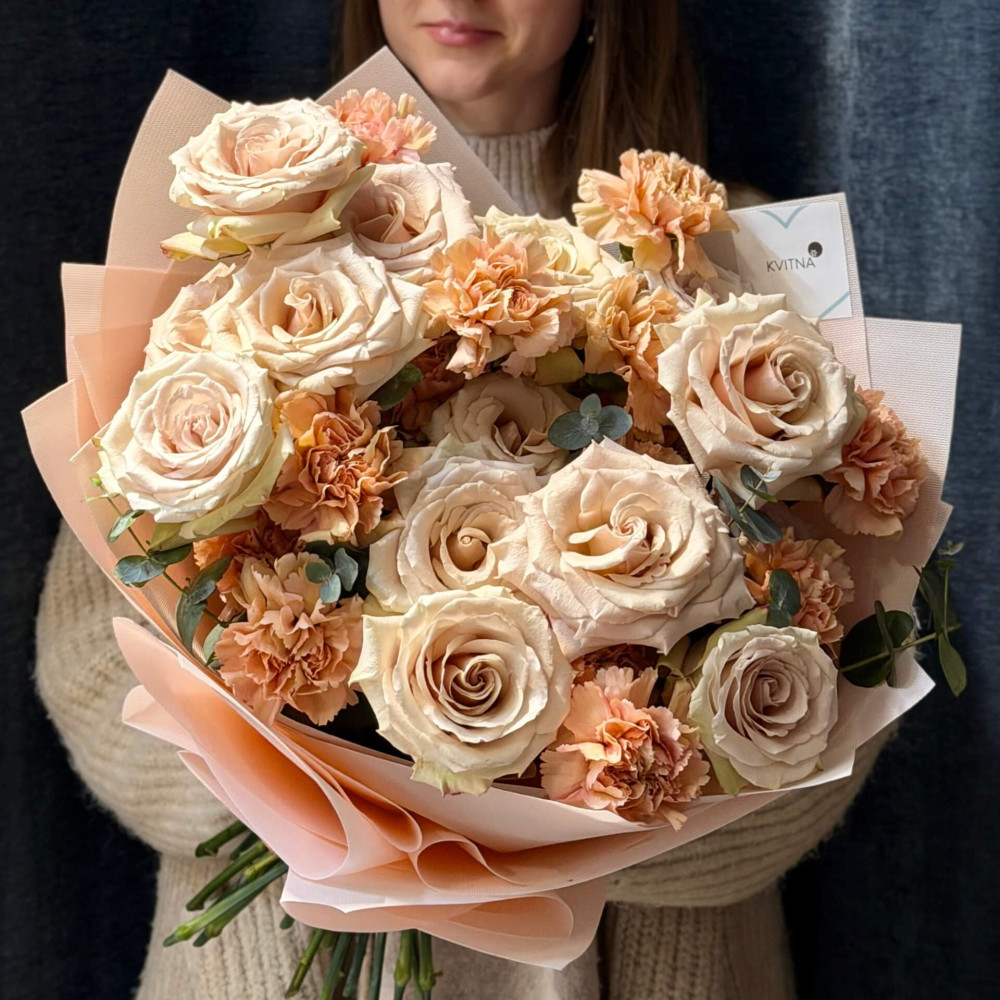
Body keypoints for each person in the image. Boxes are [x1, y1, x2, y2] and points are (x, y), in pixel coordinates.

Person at [35, 1, 889, 997]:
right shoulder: (247, 229)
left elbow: (835, 704)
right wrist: (346, 809)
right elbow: (93, 673)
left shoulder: (728, 258)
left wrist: (579, 807)